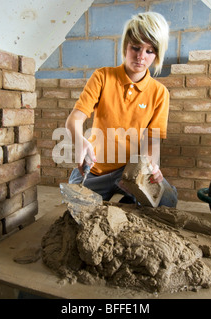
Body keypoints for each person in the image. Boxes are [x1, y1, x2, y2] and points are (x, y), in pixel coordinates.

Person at [65, 12, 178, 207]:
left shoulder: (159, 93)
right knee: (75, 208)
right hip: (96, 169)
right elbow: (74, 119)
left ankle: (127, 202)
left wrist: (149, 167)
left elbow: (152, 141)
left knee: (166, 202)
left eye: (150, 51)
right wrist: (79, 140)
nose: (141, 56)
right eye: (136, 47)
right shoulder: (102, 77)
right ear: (126, 45)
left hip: (130, 171)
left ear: (157, 54)